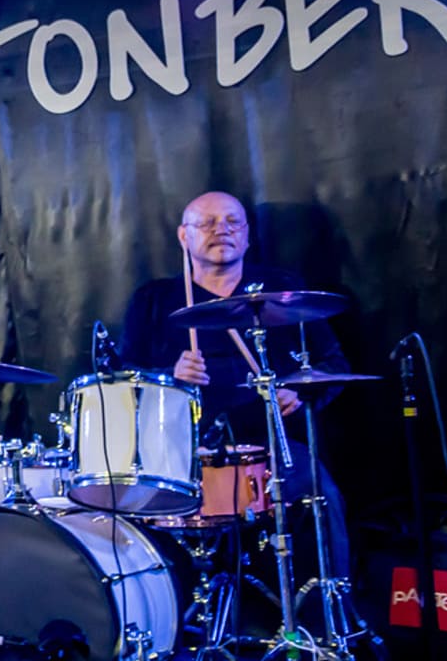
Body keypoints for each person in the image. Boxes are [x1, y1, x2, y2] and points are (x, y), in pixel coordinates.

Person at [119, 189, 352, 592]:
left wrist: (300, 391)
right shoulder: (153, 300)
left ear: (246, 235)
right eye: (207, 223)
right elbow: (124, 381)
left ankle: (327, 613)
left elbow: (334, 366)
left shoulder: (283, 291)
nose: (221, 230)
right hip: (183, 452)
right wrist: (169, 375)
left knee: (321, 498)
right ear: (184, 236)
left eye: (232, 222)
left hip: (273, 447)